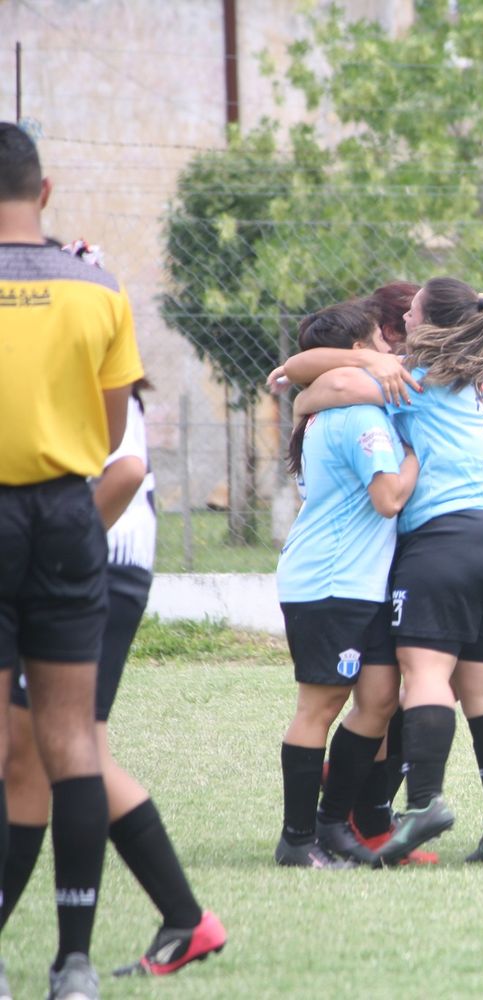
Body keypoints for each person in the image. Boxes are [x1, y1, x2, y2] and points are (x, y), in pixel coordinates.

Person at [293, 277, 483, 865]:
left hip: (447, 539)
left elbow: (315, 376)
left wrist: (331, 382)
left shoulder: (413, 382)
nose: (404, 319)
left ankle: (422, 802)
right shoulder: (474, 384)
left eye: (413, 311)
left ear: (431, 323)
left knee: (425, 674)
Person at [1, 374, 226, 979]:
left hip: (96, 566)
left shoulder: (87, 346)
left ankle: (175, 919)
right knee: (60, 752)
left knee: (51, 751)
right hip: (89, 565)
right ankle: (184, 919)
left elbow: (124, 470)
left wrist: (62, 552)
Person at [0, 120, 142, 1000]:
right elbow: (117, 431)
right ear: (45, 192)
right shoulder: (97, 288)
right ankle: (74, 962)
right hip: (63, 514)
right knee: (68, 735)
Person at [274, 301, 417, 869]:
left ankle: (336, 823)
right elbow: (388, 499)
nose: (390, 352)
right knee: (321, 706)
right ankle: (297, 838)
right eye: (379, 345)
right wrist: (414, 460)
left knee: (379, 699)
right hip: (329, 581)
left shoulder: (329, 405)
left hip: (364, 583)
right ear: (358, 354)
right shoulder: (356, 415)